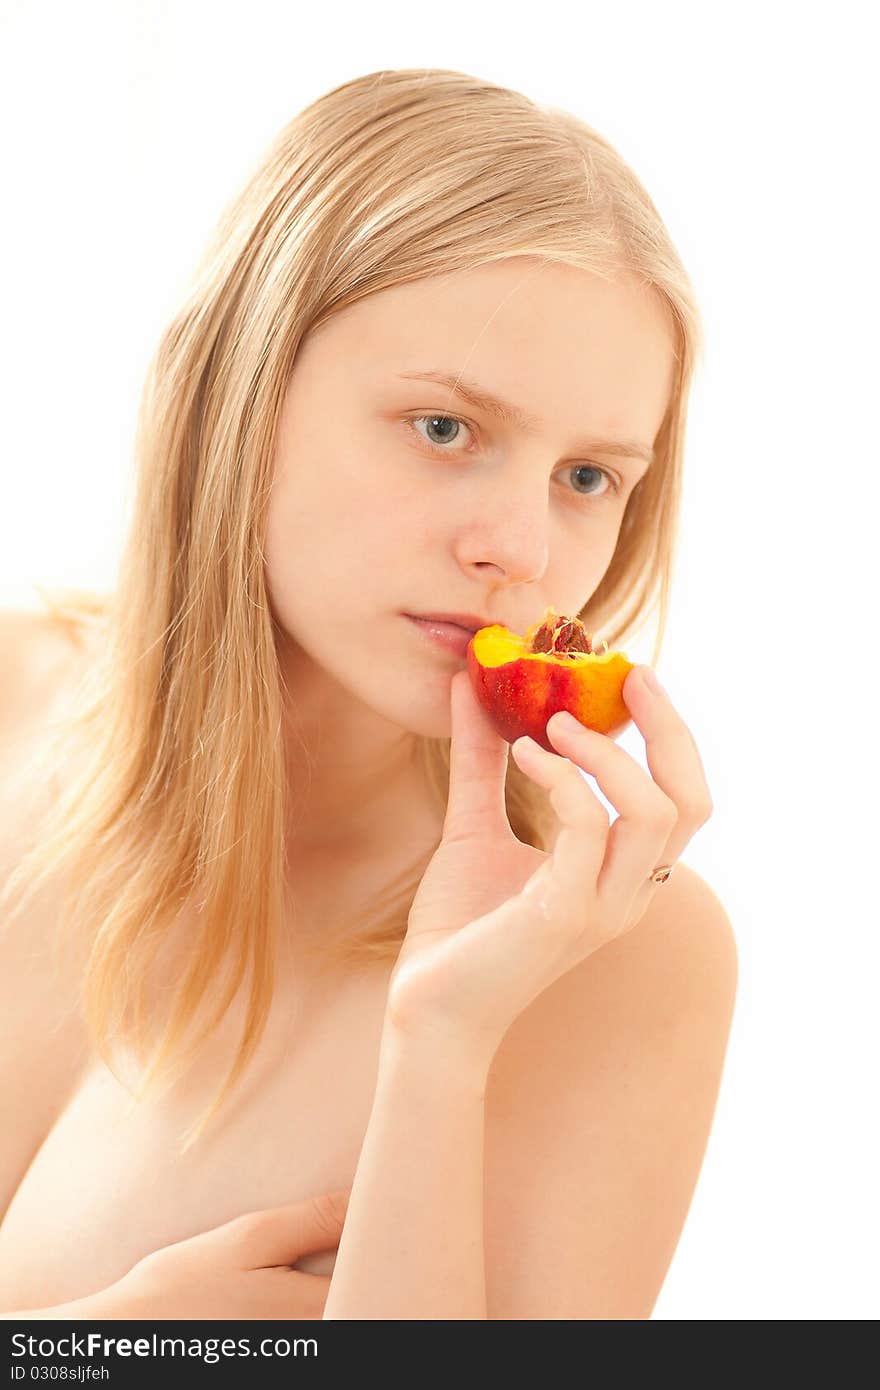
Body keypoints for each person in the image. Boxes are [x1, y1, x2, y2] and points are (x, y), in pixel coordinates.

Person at [0, 67, 736, 1321]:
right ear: (239, 394)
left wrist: (440, 1043)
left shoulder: (615, 952)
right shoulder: (14, 696)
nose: (521, 546)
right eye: (444, 428)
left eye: (587, 475)